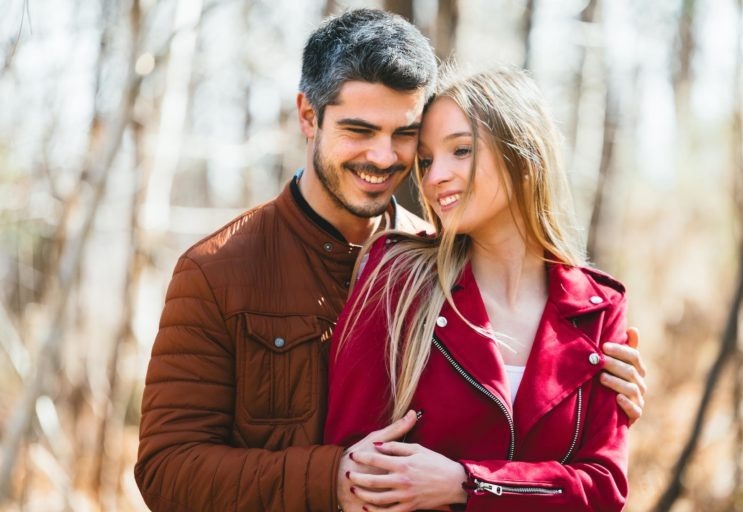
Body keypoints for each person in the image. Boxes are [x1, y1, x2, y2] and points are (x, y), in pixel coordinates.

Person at [134, 9, 646, 512]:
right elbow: (166, 469)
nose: (385, 158)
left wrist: (585, 394)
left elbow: (584, 472)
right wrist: (332, 478)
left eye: (404, 136)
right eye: (360, 130)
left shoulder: (439, 264)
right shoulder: (219, 270)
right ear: (309, 117)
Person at [325, 67, 633, 511]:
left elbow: (603, 489)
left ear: (523, 156)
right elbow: (356, 466)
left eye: (461, 150)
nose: (433, 178)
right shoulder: (396, 279)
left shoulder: (599, 307)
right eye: (427, 160)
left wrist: (468, 483)